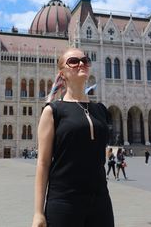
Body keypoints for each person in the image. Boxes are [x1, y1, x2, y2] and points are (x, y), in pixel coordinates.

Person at [32, 47, 114, 227]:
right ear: (63, 74)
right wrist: (38, 213)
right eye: (74, 61)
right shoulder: (52, 111)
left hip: (100, 201)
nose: (81, 64)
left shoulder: (100, 110)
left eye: (85, 60)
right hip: (64, 202)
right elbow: (43, 163)